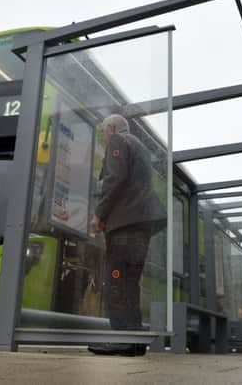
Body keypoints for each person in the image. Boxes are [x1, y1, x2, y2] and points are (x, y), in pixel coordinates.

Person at [88, 114, 165, 357]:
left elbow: (115, 178)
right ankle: (134, 341)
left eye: (103, 132)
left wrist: (99, 214)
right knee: (130, 283)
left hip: (125, 226)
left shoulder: (119, 141)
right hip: (141, 226)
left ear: (111, 128)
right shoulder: (140, 148)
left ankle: (121, 339)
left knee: (116, 281)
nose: (103, 137)